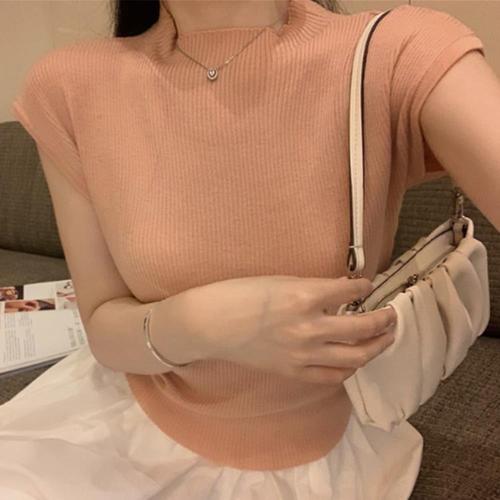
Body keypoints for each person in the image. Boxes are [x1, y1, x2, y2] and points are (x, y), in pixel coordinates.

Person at [2, 0, 497, 498]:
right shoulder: (70, 84)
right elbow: (104, 327)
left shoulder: (394, 53)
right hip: (120, 433)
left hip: (321, 458)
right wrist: (204, 323)